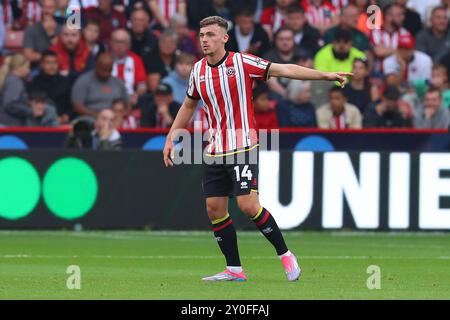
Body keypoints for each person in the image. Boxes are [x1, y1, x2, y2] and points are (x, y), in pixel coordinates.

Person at [163, 15, 352, 282]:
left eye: (211, 35)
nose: (205, 40)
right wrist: (172, 135)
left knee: (248, 205)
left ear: (224, 38)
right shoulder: (197, 71)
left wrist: (324, 75)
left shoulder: (242, 62)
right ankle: (234, 270)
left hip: (243, 145)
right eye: (202, 35)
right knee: (214, 209)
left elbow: (283, 69)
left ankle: (286, 255)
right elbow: (189, 106)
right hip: (215, 148)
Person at [71, 52, 129, 117]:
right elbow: (77, 107)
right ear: (97, 66)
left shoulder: (118, 82)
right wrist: (98, 116)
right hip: (91, 118)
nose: (106, 73)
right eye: (104, 70)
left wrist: (120, 115)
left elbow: (128, 104)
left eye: (109, 70)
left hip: (115, 118)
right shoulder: (83, 81)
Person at [28, 50, 72, 124]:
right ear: (41, 65)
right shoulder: (34, 82)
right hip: (40, 122)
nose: (52, 66)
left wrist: (67, 115)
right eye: (48, 63)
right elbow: (34, 104)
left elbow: (70, 103)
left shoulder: (65, 81)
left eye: (54, 62)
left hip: (63, 121)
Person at [23, 0, 61, 66]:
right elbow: (28, 55)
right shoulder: (31, 29)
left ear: (55, 8)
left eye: (50, 7)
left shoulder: (62, 28)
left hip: (59, 66)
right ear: (41, 8)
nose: (47, 10)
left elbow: (63, 53)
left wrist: (51, 34)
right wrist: (48, 57)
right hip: (37, 68)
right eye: (45, 7)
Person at [0, 54, 31, 126]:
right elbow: (10, 104)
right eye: (27, 67)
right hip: (9, 124)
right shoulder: (15, 82)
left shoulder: (10, 79)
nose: (29, 71)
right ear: (19, 67)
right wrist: (29, 110)